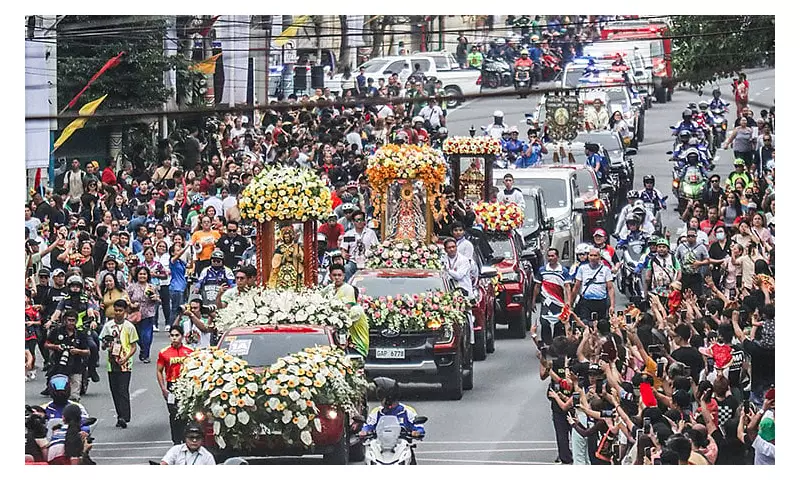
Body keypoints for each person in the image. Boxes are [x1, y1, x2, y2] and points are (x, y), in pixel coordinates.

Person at [359, 377, 425, 465]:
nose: (379, 399)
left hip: (401, 446)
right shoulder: (377, 411)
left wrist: (417, 432)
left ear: (389, 397)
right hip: (380, 447)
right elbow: (368, 425)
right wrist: (364, 431)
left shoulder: (407, 411)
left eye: (381, 396)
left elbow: (418, 426)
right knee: (368, 457)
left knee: (411, 461)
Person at [99, 299, 139, 428]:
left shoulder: (129, 327)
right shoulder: (108, 326)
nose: (118, 313)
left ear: (125, 311)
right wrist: (105, 344)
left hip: (125, 363)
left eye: (120, 311)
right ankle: (119, 414)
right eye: (116, 310)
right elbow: (103, 345)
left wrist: (126, 358)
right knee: (114, 390)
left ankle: (124, 416)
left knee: (123, 390)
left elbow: (133, 346)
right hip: (112, 362)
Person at [156, 325, 194, 445]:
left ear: (182, 337)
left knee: (186, 414)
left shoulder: (190, 352)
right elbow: (159, 371)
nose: (174, 338)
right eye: (172, 336)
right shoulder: (164, 353)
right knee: (173, 413)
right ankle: (176, 441)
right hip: (171, 386)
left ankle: (186, 439)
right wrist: (163, 389)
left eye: (177, 335)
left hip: (186, 386)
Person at [44, 310, 90, 401]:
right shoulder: (57, 331)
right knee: (59, 395)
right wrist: (56, 347)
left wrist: (77, 351)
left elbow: (87, 351)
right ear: (65, 320)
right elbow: (46, 344)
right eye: (69, 320)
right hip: (59, 367)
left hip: (76, 367)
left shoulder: (81, 334)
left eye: (73, 320)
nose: (71, 323)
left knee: (74, 397)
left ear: (76, 321)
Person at [326, 264, 369, 357]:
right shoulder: (328, 289)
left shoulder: (356, 309)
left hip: (356, 346)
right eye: (334, 275)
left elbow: (344, 317)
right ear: (330, 276)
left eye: (339, 275)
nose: (337, 278)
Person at [531, 248, 572, 344]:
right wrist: (533, 301)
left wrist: (568, 302)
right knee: (544, 323)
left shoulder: (564, 271)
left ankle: (557, 346)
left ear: (557, 257)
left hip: (559, 303)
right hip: (546, 302)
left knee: (559, 324)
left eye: (552, 256)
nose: (550, 258)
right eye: (549, 256)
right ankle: (547, 345)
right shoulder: (542, 270)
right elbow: (537, 286)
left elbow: (567, 287)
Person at [571, 247, 615, 323]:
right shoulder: (582, 268)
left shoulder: (605, 270)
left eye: (595, 255)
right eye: (591, 255)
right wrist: (571, 303)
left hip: (601, 301)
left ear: (599, 257)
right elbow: (576, 287)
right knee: (585, 323)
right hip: (586, 301)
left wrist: (612, 305)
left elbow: (610, 288)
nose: (593, 258)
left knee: (602, 324)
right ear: (588, 256)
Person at [126, 266, 160, 363]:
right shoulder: (132, 287)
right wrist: (131, 304)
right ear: (137, 275)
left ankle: (146, 355)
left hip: (148, 314)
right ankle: (143, 349)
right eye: (140, 274)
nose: (142, 276)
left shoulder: (152, 287)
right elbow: (126, 298)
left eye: (144, 274)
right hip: (135, 315)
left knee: (147, 336)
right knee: (138, 336)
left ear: (147, 276)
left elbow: (159, 299)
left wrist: (155, 298)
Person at [340, 210, 379, 281]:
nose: (359, 222)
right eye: (357, 220)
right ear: (353, 222)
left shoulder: (370, 233)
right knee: (347, 268)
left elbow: (376, 247)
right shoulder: (349, 234)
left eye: (361, 220)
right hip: (353, 261)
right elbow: (343, 249)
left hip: (368, 261)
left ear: (364, 221)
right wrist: (344, 254)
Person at [269, 225, 304, 290]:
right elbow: (275, 260)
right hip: (282, 268)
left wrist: (297, 257)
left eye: (288, 237)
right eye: (285, 237)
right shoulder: (280, 248)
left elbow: (302, 258)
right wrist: (283, 258)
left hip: (294, 268)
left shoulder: (296, 247)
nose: (287, 239)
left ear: (291, 237)